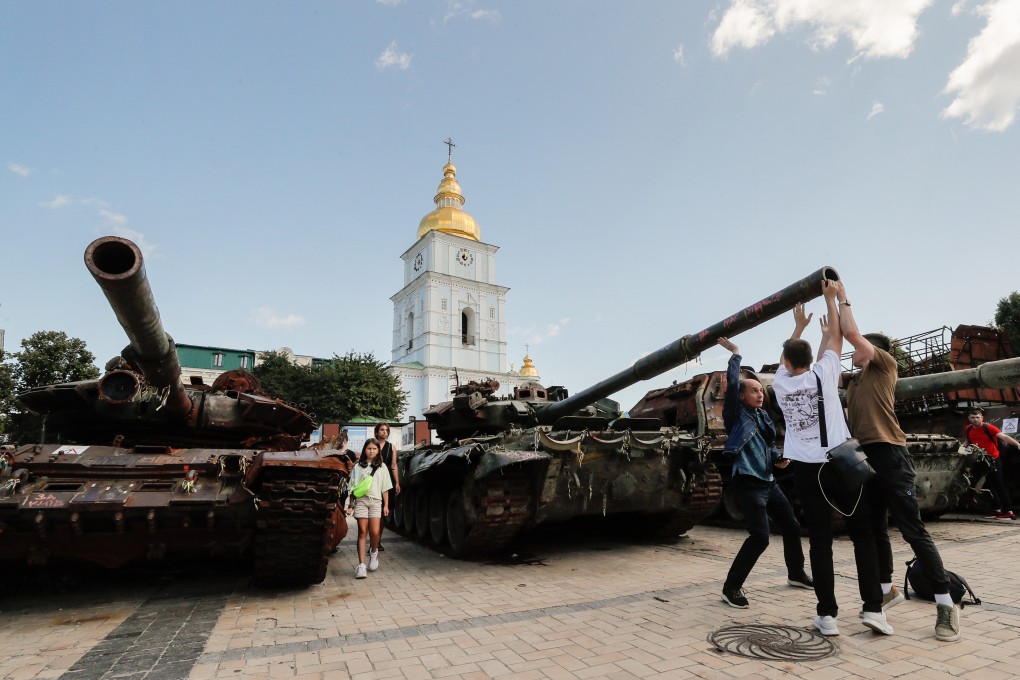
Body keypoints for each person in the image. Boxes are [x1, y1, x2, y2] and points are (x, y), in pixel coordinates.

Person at [838, 284, 961, 642]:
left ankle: (946, 605)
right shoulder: (856, 381)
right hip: (866, 456)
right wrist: (829, 313)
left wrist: (842, 297)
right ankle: (887, 590)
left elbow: (850, 333)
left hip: (891, 453)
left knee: (912, 529)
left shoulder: (883, 366)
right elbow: (837, 339)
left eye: (856, 350)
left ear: (872, 350)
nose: (851, 354)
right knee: (876, 528)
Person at [771, 281, 893, 638]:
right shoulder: (824, 374)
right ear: (812, 360)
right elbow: (837, 341)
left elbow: (789, 359)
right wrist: (830, 299)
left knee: (820, 542)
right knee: (864, 537)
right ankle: (873, 609)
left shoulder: (779, 383)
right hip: (840, 464)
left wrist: (798, 327)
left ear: (788, 362)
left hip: (807, 470)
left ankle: (827, 616)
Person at [716, 337, 813, 610]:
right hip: (747, 481)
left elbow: (767, 444)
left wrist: (777, 459)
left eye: (761, 390)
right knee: (760, 536)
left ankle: (796, 574)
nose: (760, 394)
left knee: (792, 526)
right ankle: (731, 587)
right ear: (741, 395)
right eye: (754, 390)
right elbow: (733, 383)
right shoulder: (736, 415)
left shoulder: (762, 417)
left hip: (768, 482)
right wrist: (736, 354)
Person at [346, 438, 393, 579]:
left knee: (375, 532)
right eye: (369, 448)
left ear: (378, 450)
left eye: (374, 449)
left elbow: (385, 488)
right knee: (362, 532)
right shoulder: (358, 466)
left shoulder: (382, 467)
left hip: (376, 502)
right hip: (361, 502)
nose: (371, 451)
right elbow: (352, 488)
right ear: (364, 450)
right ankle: (361, 566)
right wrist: (350, 505)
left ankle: (373, 551)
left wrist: (386, 505)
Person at [964, 408, 1019, 520]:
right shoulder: (968, 429)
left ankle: (1009, 511)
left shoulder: (988, 427)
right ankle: (997, 509)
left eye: (977, 417)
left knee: (999, 485)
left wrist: (1017, 444)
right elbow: (968, 440)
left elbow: (1004, 436)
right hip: (981, 460)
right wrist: (962, 446)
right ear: (969, 419)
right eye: (973, 418)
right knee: (989, 485)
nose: (975, 420)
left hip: (993, 460)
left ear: (982, 418)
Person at [374, 423, 401, 550]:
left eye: (386, 430)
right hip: (373, 480)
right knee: (374, 513)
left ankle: (377, 541)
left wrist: (397, 482)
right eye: (382, 430)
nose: (384, 432)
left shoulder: (392, 447)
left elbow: (394, 465)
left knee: (383, 512)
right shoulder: (371, 445)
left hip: (387, 481)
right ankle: (374, 541)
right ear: (377, 432)